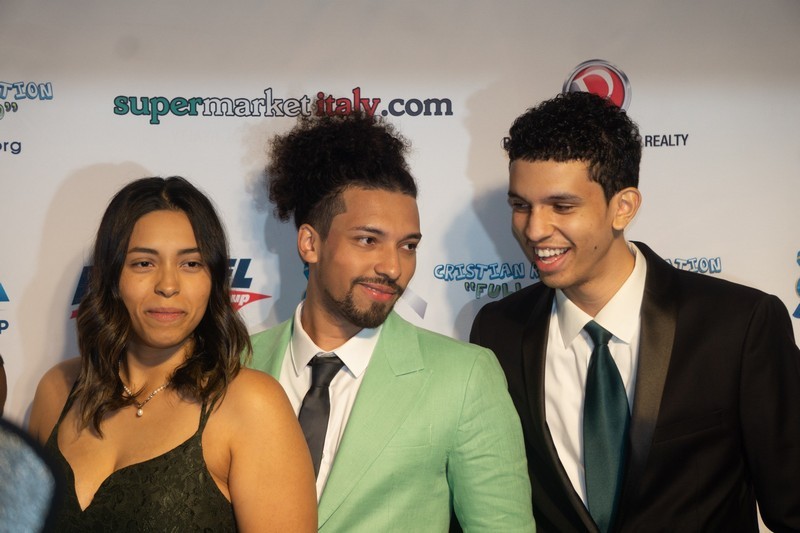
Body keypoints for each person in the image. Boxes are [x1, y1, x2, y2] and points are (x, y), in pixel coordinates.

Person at [470, 91, 800, 532]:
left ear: (623, 207)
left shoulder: (739, 325)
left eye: (562, 206)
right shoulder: (498, 330)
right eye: (521, 206)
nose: (534, 229)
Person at [248, 113, 535, 532]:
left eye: (408, 246)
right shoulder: (235, 365)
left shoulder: (464, 377)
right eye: (368, 240)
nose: (393, 267)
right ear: (310, 243)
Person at [29, 177, 317, 532]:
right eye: (143, 263)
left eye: (191, 264)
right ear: (112, 276)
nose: (167, 285)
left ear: (213, 279)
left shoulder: (251, 405)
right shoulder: (56, 391)